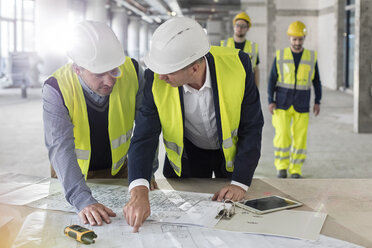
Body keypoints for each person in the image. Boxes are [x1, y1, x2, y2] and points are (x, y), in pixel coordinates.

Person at [123, 17, 264, 232]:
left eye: (168, 70)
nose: (161, 76)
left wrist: (240, 183)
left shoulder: (239, 65)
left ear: (195, 68)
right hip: (187, 157)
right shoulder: (156, 78)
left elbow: (251, 126)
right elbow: (144, 135)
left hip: (229, 156)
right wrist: (139, 188)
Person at [42, 20, 158, 226]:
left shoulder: (132, 71)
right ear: (77, 69)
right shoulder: (56, 88)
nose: (110, 80)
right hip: (73, 174)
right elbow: (60, 148)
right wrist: (81, 199)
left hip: (122, 168)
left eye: (114, 70)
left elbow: (146, 129)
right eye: (98, 74)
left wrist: (145, 174)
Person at [267, 21, 322, 179]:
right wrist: (271, 100)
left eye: (300, 39)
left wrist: (318, 101)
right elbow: (272, 79)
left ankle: (296, 169)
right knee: (282, 135)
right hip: (282, 103)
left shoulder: (311, 57)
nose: (297, 43)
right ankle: (281, 167)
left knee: (300, 138)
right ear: (289, 38)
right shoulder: (281, 55)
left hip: (302, 103)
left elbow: (316, 80)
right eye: (294, 39)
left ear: (304, 38)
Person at [221, 12, 260, 88]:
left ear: (248, 28)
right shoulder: (224, 45)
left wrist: (256, 89)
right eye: (237, 25)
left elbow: (256, 70)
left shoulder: (253, 47)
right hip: (229, 85)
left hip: (247, 86)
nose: (239, 28)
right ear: (234, 26)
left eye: (243, 26)